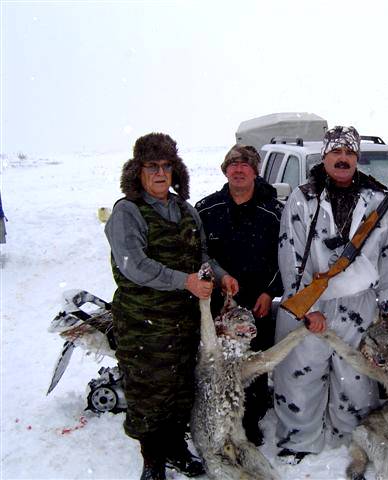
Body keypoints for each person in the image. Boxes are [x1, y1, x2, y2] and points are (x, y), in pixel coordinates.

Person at [105, 132, 239, 480]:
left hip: (182, 323)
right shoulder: (128, 212)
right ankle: (152, 461)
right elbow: (133, 264)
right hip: (143, 324)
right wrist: (185, 282)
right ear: (138, 172)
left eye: (167, 166)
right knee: (148, 393)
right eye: (152, 166)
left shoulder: (185, 210)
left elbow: (202, 256)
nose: (160, 173)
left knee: (180, 390)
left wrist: (220, 276)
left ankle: (177, 450)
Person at [272, 126, 388, 464]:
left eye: (349, 153)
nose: (342, 159)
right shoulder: (303, 198)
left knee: (356, 374)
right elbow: (290, 255)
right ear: (325, 156)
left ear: (357, 158)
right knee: (301, 372)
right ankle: (298, 440)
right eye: (336, 152)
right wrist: (306, 307)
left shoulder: (377, 199)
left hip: (359, 301)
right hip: (311, 301)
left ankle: (354, 434)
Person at [195, 144, 283, 446]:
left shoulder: (274, 213)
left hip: (256, 304)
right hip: (216, 305)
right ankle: (215, 413)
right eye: (233, 164)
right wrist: (217, 281)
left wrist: (269, 292)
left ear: (255, 171)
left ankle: (251, 419)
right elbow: (196, 254)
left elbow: (285, 258)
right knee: (215, 362)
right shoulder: (206, 209)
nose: (239, 169)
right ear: (225, 170)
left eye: (245, 164)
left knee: (253, 365)